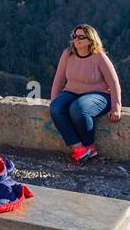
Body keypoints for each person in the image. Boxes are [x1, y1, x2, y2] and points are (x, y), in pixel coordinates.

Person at [49, 24, 124, 165]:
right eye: (75, 36)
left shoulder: (99, 57)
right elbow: (58, 81)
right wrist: (54, 102)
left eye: (81, 37)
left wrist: (116, 108)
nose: (77, 40)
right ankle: (79, 149)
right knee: (56, 108)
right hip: (71, 91)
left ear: (90, 40)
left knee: (79, 108)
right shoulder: (67, 54)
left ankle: (90, 147)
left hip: (99, 94)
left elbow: (114, 84)